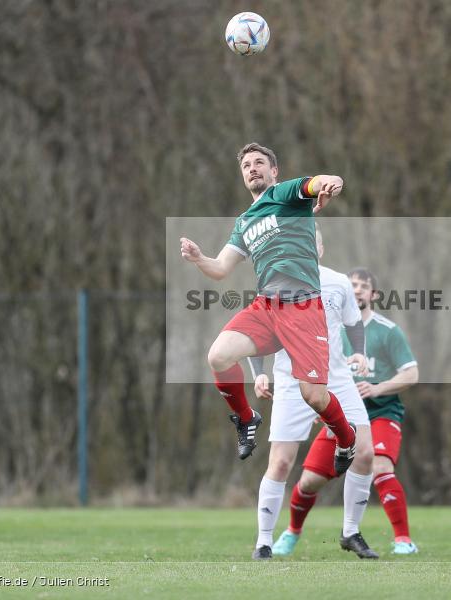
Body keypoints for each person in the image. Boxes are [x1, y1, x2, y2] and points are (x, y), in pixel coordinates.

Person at [179, 143, 355, 474]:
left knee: (315, 398)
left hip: (303, 308)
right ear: (242, 175)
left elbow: (316, 182)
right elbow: (220, 269)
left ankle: (347, 439)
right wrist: (199, 257)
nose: (253, 168)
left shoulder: (286, 194)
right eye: (246, 165)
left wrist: (332, 181)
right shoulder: (245, 221)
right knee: (218, 356)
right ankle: (247, 418)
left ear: (274, 171)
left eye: (260, 163)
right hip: (267, 307)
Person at [248, 226, 378, 560]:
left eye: (312, 241)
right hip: (292, 383)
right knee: (281, 462)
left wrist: (359, 352)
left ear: (320, 247)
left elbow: (353, 323)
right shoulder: (275, 282)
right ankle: (263, 542)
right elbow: (256, 330)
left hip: (336, 380)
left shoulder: (338, 283)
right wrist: (258, 374)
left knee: (365, 453)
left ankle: (351, 532)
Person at [272, 267, 420, 556]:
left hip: (381, 415)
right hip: (340, 420)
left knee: (379, 465)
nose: (356, 290)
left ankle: (402, 540)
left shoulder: (387, 331)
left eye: (363, 286)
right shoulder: (332, 330)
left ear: (374, 295)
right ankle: (292, 532)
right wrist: (317, 402)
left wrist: (378, 388)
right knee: (309, 481)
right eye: (352, 284)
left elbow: (412, 374)